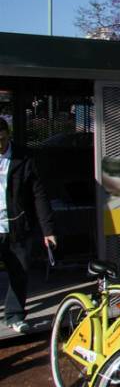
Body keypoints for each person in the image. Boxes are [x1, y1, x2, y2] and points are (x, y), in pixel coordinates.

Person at [0, 119, 56, 333]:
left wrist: (48, 230)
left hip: (17, 226)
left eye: (2, 140)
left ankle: (14, 315)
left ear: (8, 134)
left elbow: (38, 194)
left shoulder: (24, 157)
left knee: (19, 271)